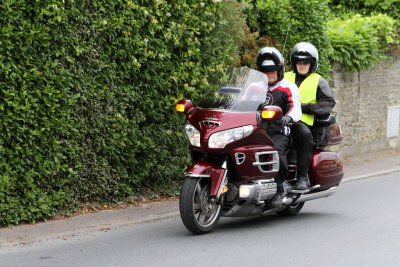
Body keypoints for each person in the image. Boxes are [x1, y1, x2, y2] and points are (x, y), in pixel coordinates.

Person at [284, 42, 336, 190]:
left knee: (305, 135)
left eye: (306, 62)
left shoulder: (318, 81)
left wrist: (303, 108)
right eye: (299, 61)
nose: (302, 64)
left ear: (312, 63)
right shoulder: (284, 77)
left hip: (302, 123)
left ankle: (302, 177)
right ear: (294, 62)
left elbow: (328, 104)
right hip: (280, 120)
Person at [256, 47, 302, 206]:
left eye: (272, 70)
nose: (268, 74)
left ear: (279, 70)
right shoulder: (254, 88)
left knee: (275, 151)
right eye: (264, 70)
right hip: (255, 131)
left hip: (278, 132)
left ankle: (279, 188)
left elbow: (295, 106)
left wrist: (289, 117)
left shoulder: (288, 87)